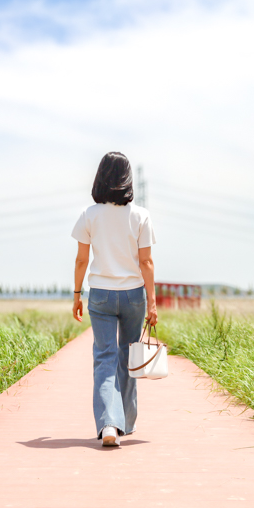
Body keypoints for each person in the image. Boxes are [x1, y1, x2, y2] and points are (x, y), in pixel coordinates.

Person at [71, 152, 158, 448]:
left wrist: (76, 295)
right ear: (128, 179)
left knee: (105, 359)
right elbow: (146, 263)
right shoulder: (140, 215)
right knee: (129, 357)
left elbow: (82, 260)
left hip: (101, 295)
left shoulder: (89, 215)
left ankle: (110, 424)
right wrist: (153, 302)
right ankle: (126, 423)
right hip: (134, 295)